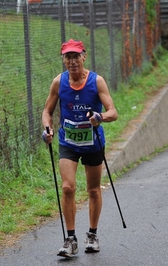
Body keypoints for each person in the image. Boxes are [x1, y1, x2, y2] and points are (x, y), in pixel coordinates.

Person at [41, 39, 118, 257]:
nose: (72, 61)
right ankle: (71, 239)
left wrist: (99, 116)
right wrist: (48, 129)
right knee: (68, 187)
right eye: (68, 57)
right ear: (63, 59)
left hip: (93, 142)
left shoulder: (96, 81)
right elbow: (47, 111)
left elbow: (113, 111)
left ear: (84, 56)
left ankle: (92, 235)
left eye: (76, 56)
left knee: (93, 190)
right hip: (69, 142)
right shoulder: (59, 82)